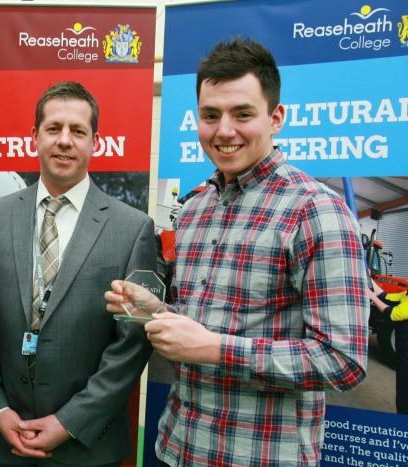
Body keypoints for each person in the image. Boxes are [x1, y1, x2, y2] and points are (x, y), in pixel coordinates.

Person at [106, 37, 369, 466]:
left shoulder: (316, 211)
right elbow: (205, 322)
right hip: (179, 447)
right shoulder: (194, 209)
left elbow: (343, 360)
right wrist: (157, 311)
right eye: (211, 115)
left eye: (242, 114)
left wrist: (215, 349)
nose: (224, 130)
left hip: (261, 456)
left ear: (276, 117)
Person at [0, 81, 157, 466]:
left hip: (86, 446)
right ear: (34, 136)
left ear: (95, 141)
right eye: (53, 128)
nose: (65, 140)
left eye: (78, 131)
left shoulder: (132, 228)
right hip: (3, 444)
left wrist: (69, 422)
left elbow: (131, 344)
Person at [368, 278, 408, 414]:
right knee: (402, 388)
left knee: (405, 392)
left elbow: (393, 314)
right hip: (403, 353)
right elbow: (387, 297)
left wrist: (371, 295)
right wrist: (369, 280)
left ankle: (402, 426)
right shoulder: (406, 294)